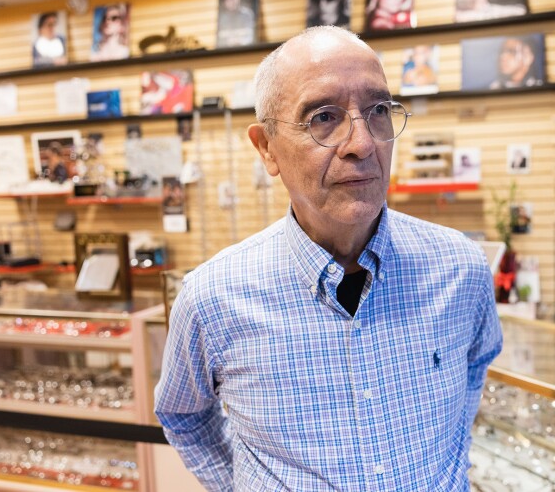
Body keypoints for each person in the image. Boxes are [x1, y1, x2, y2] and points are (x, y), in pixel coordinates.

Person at [154, 26, 502, 491]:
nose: (362, 143)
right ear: (267, 148)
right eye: (323, 117)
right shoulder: (213, 298)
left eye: (378, 110)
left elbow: (474, 369)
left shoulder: (461, 269)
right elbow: (183, 415)